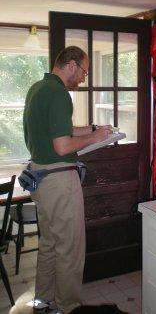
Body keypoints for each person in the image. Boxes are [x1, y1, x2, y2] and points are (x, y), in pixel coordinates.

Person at [23, 46, 112, 313]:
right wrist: (94, 140)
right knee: (70, 249)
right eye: (84, 71)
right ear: (71, 65)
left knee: (50, 242)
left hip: (40, 178)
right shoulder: (60, 94)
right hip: (60, 181)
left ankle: (43, 299)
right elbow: (62, 146)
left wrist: (94, 129)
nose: (83, 78)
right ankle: (68, 307)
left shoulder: (38, 89)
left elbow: (60, 129)